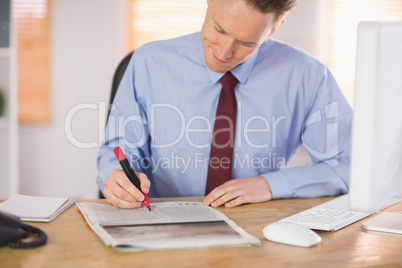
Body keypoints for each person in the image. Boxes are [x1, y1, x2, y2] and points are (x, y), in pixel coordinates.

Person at [96, 0, 352, 209]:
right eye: (219, 29)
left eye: (246, 43)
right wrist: (117, 177)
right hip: (162, 224)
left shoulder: (308, 76)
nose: (224, 52)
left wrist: (270, 185)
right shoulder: (149, 62)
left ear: (274, 28)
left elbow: (348, 167)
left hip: (257, 229)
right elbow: (119, 149)